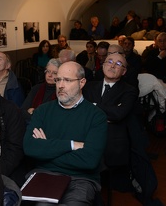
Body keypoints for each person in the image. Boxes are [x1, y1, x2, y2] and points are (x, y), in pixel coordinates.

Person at [23, 61, 107, 205]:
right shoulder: (42, 111)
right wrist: (72, 145)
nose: (60, 85)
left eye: (67, 80)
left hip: (81, 179)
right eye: (58, 79)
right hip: (45, 175)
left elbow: (90, 160)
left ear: (82, 83)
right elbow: (30, 148)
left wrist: (46, 149)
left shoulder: (96, 116)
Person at [83, 52, 138, 168]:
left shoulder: (129, 91)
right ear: (103, 65)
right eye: (109, 62)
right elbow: (81, 111)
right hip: (86, 138)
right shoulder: (88, 87)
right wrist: (109, 113)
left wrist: (93, 105)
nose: (112, 66)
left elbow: (119, 114)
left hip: (113, 142)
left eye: (118, 64)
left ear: (124, 71)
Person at [21, 58, 61, 122]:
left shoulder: (61, 92)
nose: (49, 75)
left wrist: (34, 113)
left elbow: (55, 117)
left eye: (54, 73)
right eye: (48, 71)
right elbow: (22, 111)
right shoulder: (36, 88)